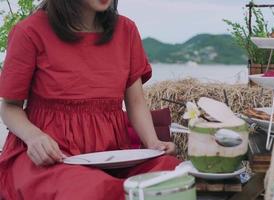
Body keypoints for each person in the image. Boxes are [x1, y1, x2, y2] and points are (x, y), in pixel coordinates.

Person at [0, 0, 181, 199]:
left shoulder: (126, 30)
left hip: (113, 156)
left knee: (172, 171)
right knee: (93, 189)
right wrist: (34, 137)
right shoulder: (29, 31)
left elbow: (136, 103)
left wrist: (153, 143)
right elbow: (9, 107)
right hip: (52, 159)